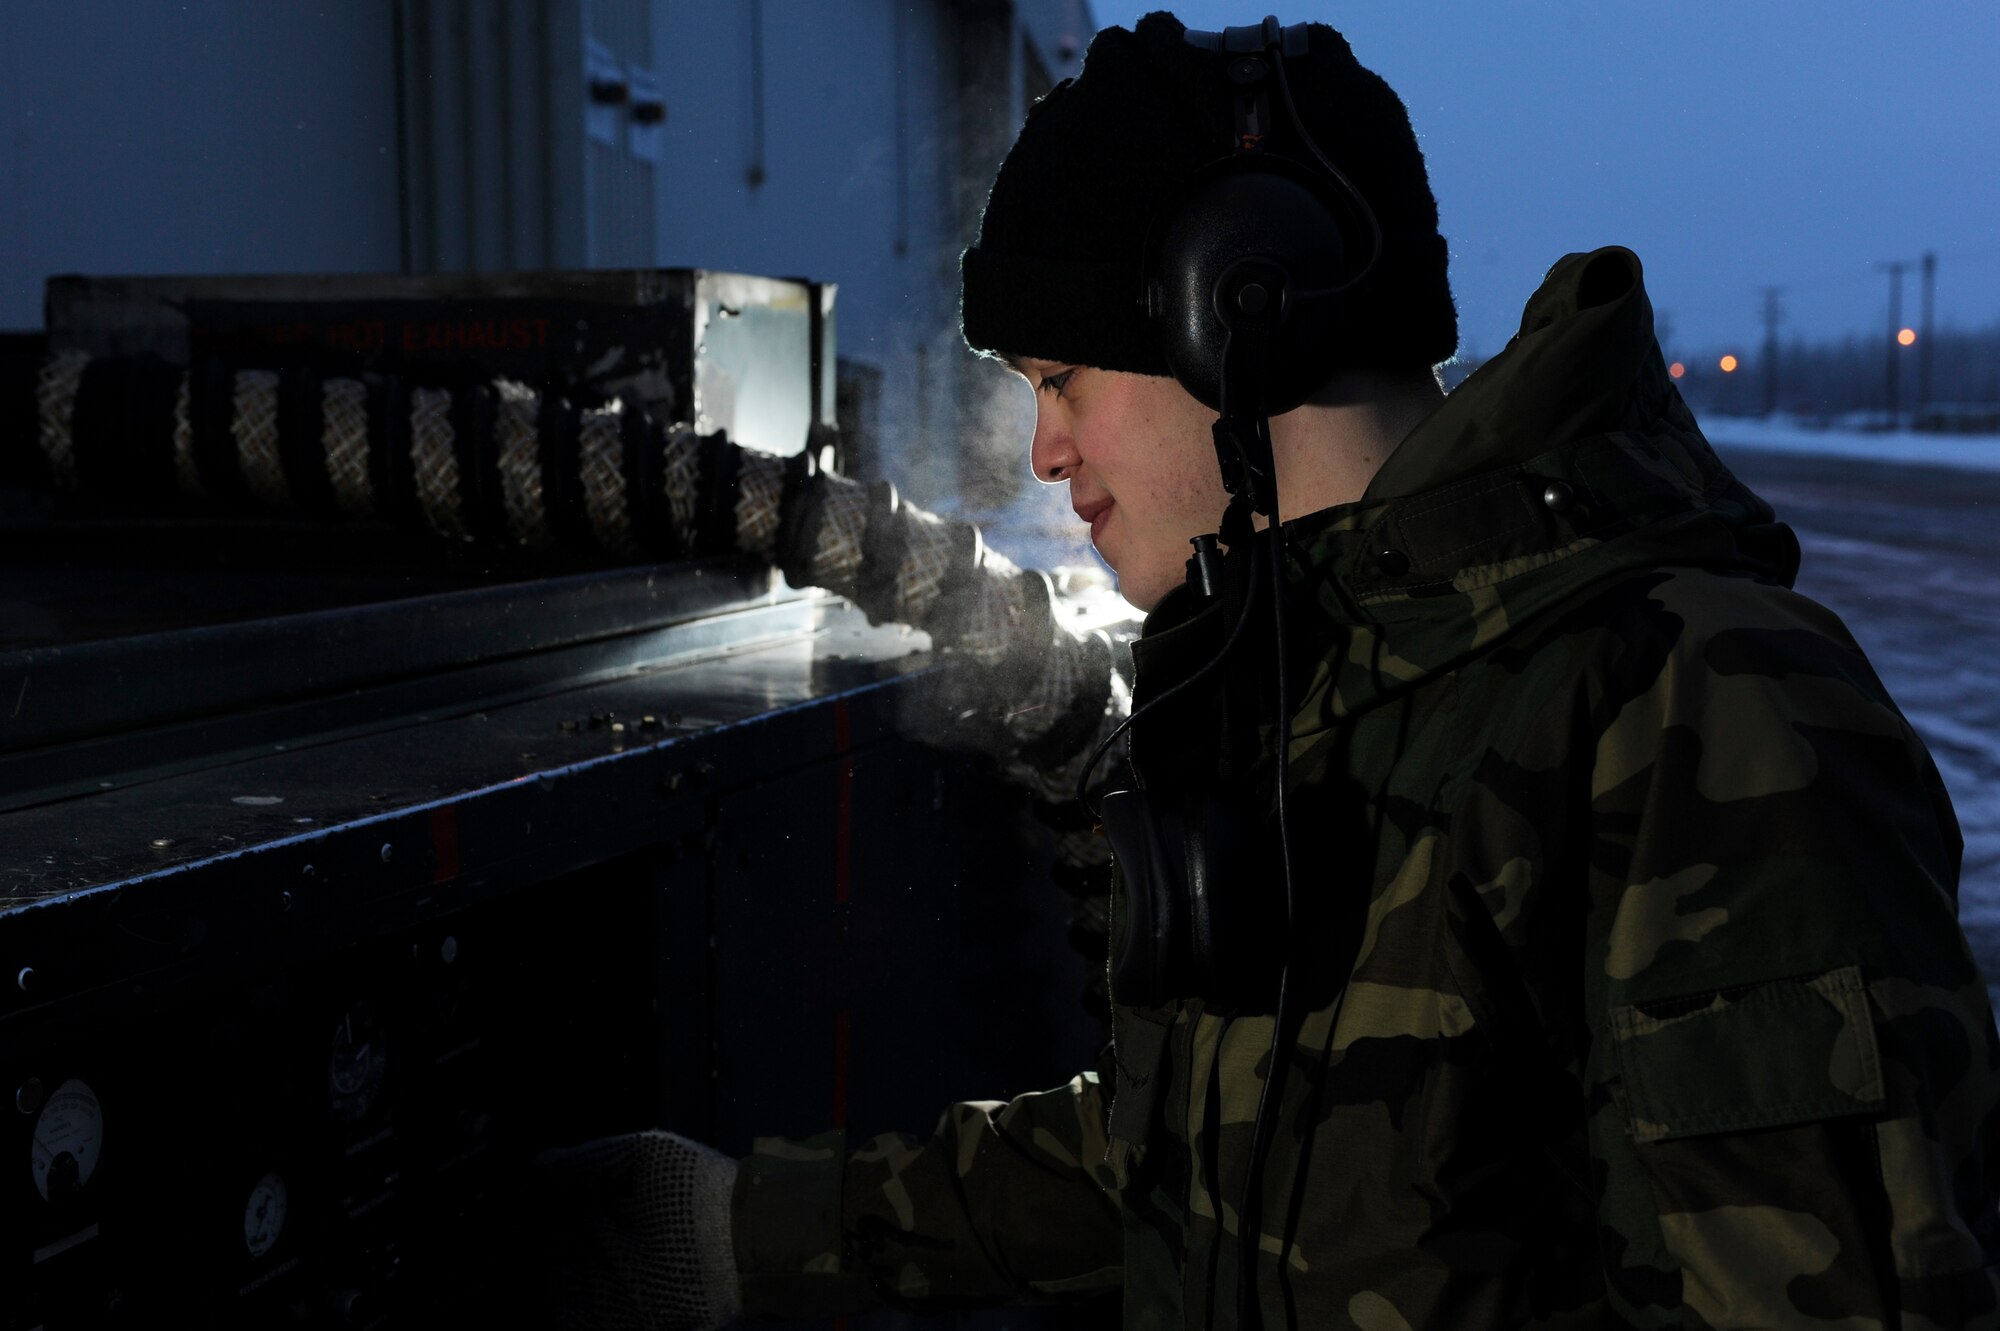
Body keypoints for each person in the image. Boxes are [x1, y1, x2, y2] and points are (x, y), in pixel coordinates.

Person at [539, 12, 2000, 1329]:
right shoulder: (1317, 684)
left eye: (1063, 381)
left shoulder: (1689, 705)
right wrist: (734, 1234)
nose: (1045, 451)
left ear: (1236, 308)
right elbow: (1187, 1166)